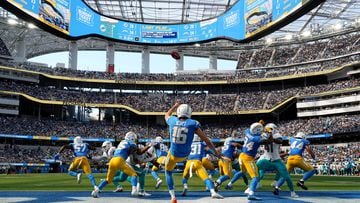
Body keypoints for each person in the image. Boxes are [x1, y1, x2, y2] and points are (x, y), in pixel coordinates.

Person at [164, 102, 220, 203]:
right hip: (186, 155)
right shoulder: (193, 123)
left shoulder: (172, 120)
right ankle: (211, 188)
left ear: (178, 112)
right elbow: (207, 140)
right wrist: (216, 152)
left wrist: (174, 106)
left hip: (173, 154)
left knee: (168, 172)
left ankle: (173, 197)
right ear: (189, 113)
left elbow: (167, 115)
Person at [91, 131, 154, 198]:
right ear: (132, 138)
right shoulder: (131, 143)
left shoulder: (122, 142)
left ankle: (96, 191)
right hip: (120, 160)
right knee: (133, 174)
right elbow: (139, 152)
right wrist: (149, 146)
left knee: (108, 180)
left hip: (112, 161)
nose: (135, 140)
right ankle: (134, 190)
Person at [256, 123, 298, 198]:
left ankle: (292, 192)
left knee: (286, 176)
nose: (269, 131)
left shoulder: (277, 135)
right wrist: (267, 138)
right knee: (254, 169)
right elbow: (261, 142)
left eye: (270, 129)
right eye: (268, 130)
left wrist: (271, 138)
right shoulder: (264, 135)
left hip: (276, 159)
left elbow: (280, 141)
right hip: (265, 158)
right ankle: (253, 186)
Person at [181, 134, 223, 199]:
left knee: (185, 177)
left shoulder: (189, 144)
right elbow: (209, 150)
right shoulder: (202, 144)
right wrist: (217, 155)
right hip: (197, 162)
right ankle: (213, 192)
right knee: (206, 179)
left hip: (188, 163)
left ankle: (185, 186)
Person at [240, 122, 269, 200]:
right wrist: (266, 133)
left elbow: (252, 131)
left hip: (242, 155)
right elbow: (266, 140)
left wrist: (259, 126)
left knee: (243, 172)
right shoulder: (257, 139)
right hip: (248, 158)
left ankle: (248, 189)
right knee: (256, 177)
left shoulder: (247, 131)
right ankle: (251, 193)